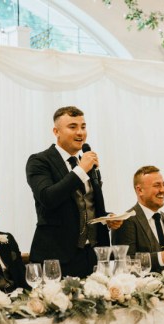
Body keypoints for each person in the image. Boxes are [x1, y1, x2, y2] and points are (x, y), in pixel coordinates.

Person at [26, 106, 122, 278]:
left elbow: (85, 204)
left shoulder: (86, 162)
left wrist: (106, 217)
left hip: (91, 257)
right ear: (56, 131)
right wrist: (80, 170)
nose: (80, 132)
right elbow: (48, 197)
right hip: (56, 259)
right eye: (73, 127)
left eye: (83, 127)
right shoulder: (39, 161)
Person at [112, 166, 164, 272]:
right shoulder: (125, 221)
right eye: (157, 185)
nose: (163, 190)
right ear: (140, 190)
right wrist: (162, 257)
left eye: (163, 185)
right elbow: (125, 263)